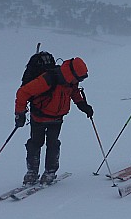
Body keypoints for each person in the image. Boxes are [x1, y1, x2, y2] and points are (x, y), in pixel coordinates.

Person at [15, 57, 93, 185]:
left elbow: (74, 93)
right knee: (35, 143)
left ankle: (50, 172)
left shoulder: (71, 81)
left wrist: (83, 106)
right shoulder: (47, 79)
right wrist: (20, 113)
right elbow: (23, 93)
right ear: (71, 74)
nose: (79, 81)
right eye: (79, 79)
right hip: (39, 117)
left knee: (53, 144)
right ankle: (32, 172)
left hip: (57, 119)